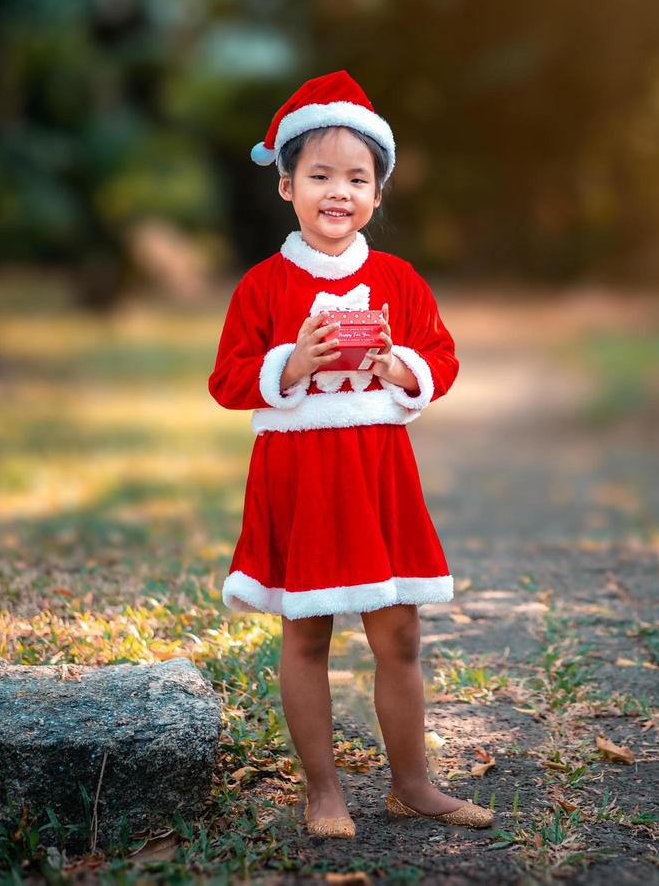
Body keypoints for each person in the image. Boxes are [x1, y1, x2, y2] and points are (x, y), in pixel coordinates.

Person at [208, 70, 492, 838]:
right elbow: (229, 379)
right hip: (300, 474)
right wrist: (292, 365)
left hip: (377, 470)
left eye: (358, 178)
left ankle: (413, 783)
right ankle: (323, 792)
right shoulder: (263, 286)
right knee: (307, 631)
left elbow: (442, 359)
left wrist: (394, 366)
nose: (339, 191)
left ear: (378, 193)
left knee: (398, 631)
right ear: (287, 185)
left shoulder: (397, 280)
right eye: (321, 175)